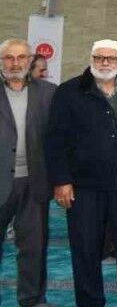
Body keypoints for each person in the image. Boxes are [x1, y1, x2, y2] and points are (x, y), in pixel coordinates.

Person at [47, 39, 117, 306]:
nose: (105, 63)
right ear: (91, 59)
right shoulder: (69, 91)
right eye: (99, 57)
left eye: (111, 58)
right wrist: (61, 180)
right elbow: (55, 140)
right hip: (84, 185)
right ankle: (90, 298)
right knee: (86, 245)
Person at [1, 38, 55, 307]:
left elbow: (59, 139)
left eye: (21, 57)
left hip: (35, 183)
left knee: (34, 247)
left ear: (30, 60)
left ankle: (33, 299)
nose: (15, 63)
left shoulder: (49, 93)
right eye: (9, 57)